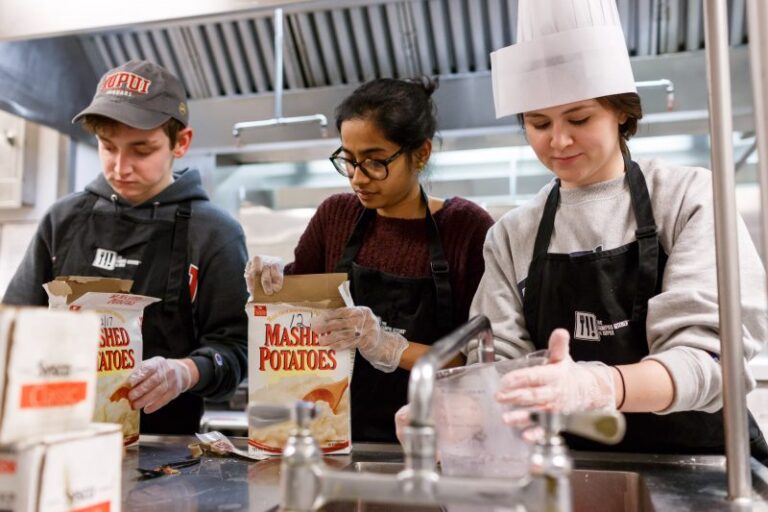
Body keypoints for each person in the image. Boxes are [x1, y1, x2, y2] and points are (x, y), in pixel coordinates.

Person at [465, 0, 768, 459]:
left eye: (580, 118)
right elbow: (497, 364)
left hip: (701, 465)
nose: (558, 141)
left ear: (622, 112)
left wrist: (600, 384)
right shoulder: (511, 235)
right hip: (575, 466)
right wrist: (467, 411)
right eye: (539, 123)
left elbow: (711, 360)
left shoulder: (689, 197)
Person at [3, 60, 248, 435]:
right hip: (57, 437)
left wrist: (183, 372)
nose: (120, 167)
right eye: (107, 147)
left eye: (141, 150)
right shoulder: (64, 219)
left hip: (163, 453)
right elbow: (15, 324)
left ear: (181, 143)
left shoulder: (214, 233)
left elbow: (234, 351)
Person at [245, 78, 495, 443]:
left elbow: (474, 364)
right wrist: (268, 285)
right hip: (336, 435)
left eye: (375, 163)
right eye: (348, 160)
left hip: (432, 440)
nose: (358, 178)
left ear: (421, 154)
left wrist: (386, 345)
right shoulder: (336, 217)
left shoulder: (466, 228)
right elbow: (295, 317)